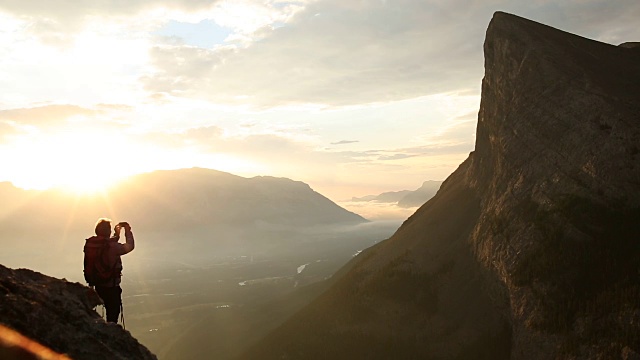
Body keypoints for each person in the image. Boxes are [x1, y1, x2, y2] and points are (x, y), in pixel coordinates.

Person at [84, 218, 135, 324]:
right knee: (112, 316)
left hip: (97, 284)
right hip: (111, 287)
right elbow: (129, 246)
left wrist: (117, 235)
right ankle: (111, 334)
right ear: (108, 231)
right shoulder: (112, 246)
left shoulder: (92, 244)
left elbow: (109, 244)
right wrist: (127, 230)